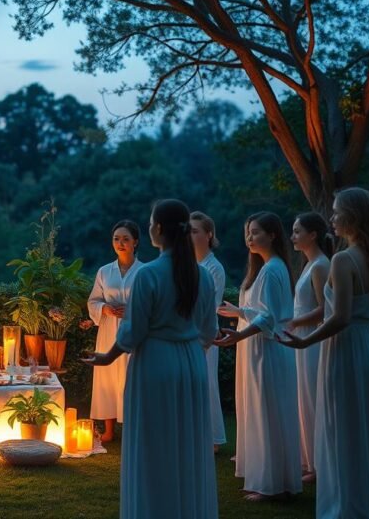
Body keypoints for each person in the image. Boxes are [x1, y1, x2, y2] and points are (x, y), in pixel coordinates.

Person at [83, 200, 218, 518]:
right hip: (191, 363)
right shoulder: (202, 275)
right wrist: (186, 350)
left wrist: (106, 357)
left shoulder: (149, 275)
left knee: (154, 445)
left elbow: (132, 333)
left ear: (157, 230)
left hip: (155, 364)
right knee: (187, 444)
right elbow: (209, 332)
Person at [280, 187, 369, 518]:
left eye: (336, 212)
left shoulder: (344, 260)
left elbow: (340, 317)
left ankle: (348, 507)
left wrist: (305, 341)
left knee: (344, 431)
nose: (332, 217)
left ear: (352, 216)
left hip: (346, 352)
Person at [215, 212, 302, 501]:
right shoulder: (265, 269)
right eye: (247, 233)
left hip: (266, 349)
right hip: (256, 348)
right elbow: (263, 311)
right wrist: (239, 313)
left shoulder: (273, 269)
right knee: (258, 411)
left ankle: (271, 483)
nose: (249, 238)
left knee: (267, 412)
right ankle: (269, 477)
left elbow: (271, 316)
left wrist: (239, 333)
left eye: (255, 232)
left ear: (272, 234)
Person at [80, 219, 144, 443]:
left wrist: (133, 309)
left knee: (131, 375)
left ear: (135, 242)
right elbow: (93, 302)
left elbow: (153, 303)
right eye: (117, 239)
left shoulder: (145, 272)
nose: (121, 243)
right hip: (108, 330)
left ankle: (132, 427)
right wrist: (105, 308)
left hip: (134, 329)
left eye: (126, 239)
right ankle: (108, 429)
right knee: (107, 377)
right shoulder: (104, 272)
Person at [286, 212, 332, 483]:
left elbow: (324, 308)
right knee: (304, 398)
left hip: (312, 338)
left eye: (296, 230)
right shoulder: (308, 264)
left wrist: (294, 322)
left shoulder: (320, 265)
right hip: (301, 335)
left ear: (312, 234)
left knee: (313, 397)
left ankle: (318, 463)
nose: (292, 236)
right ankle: (309, 459)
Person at [189, 211, 227, 453]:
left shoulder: (214, 268)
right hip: (186, 330)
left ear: (208, 234)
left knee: (207, 383)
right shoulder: (189, 264)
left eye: (195, 231)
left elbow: (210, 305)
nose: (190, 236)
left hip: (204, 332)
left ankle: (213, 438)